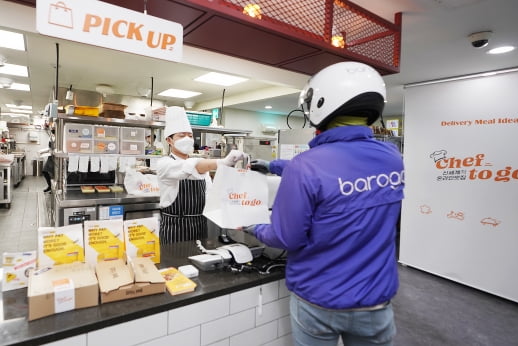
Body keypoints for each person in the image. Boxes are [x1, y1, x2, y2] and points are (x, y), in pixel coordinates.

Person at [246, 62, 405, 346]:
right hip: (375, 298)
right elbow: (336, 172)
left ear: (321, 103)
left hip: (319, 298)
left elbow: (286, 237)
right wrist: (273, 165)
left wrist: (253, 227)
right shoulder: (392, 157)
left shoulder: (306, 166)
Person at [157, 106, 246, 244]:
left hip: (199, 226)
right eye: (181, 135)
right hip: (174, 229)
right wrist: (223, 162)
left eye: (190, 135)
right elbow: (193, 167)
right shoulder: (165, 163)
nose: (187, 139)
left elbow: (211, 196)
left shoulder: (202, 166)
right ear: (169, 140)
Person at [42, 128, 55, 193]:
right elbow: (50, 148)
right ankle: (50, 186)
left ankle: (52, 188)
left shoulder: (59, 138)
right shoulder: (51, 138)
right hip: (50, 157)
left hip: (55, 158)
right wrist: (43, 152)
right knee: (45, 171)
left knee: (53, 174)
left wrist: (53, 151)